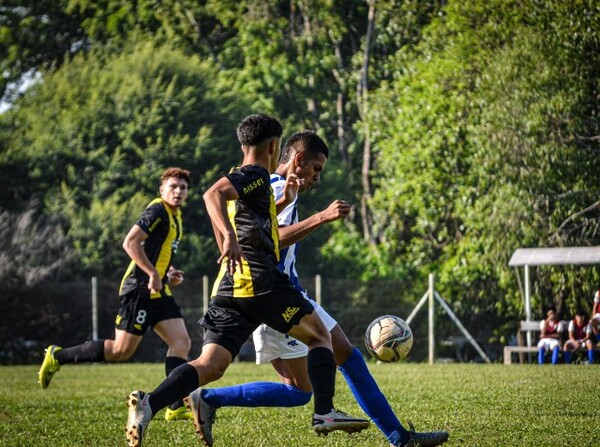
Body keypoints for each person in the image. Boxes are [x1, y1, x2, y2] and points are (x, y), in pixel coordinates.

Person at [185, 130, 449, 447]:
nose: (316, 178)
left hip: (282, 291)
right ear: (298, 160)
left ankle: (398, 436)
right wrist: (321, 217)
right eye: (317, 168)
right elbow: (275, 239)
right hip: (274, 296)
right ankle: (208, 397)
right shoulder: (275, 186)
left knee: (326, 371)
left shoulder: (274, 187)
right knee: (308, 384)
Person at [124, 114, 369, 447]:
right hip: (261, 280)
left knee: (210, 364)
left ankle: (149, 404)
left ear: (243, 144)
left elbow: (254, 222)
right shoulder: (255, 174)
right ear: (272, 146)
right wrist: (229, 238)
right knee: (319, 336)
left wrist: (281, 202)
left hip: (233, 287)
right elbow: (212, 195)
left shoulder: (250, 182)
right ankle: (324, 412)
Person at [38, 167, 194, 421]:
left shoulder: (176, 216)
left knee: (181, 342)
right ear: (161, 190)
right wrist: (153, 274)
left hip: (159, 290)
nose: (178, 191)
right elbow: (130, 242)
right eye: (173, 187)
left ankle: (175, 405)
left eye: (183, 188)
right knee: (121, 350)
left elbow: (157, 253)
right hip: (139, 290)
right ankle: (58, 355)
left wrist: (167, 274)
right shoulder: (157, 210)